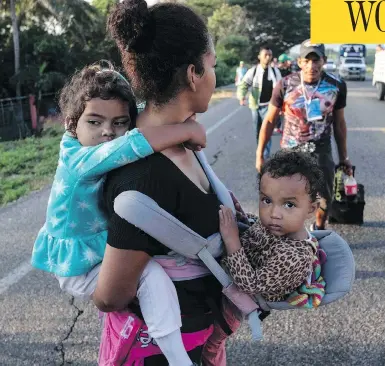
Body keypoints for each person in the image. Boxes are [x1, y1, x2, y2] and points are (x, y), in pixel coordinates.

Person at [93, 1, 242, 365]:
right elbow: (111, 295)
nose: (213, 77)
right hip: (160, 353)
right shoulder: (142, 175)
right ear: (193, 73)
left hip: (198, 340)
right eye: (212, 66)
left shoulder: (183, 141)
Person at [30, 63, 209, 366]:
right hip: (79, 266)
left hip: (92, 248)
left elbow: (140, 117)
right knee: (151, 276)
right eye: (95, 122)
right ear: (72, 124)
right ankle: (179, 358)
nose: (107, 133)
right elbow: (131, 145)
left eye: (119, 123)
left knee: (147, 271)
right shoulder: (79, 158)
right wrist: (185, 129)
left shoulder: (88, 140)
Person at [256, 40, 353, 231]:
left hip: (320, 150)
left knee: (324, 197)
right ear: (300, 61)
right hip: (290, 151)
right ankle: (286, 233)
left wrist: (344, 158)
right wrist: (260, 154)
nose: (312, 66)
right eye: (307, 60)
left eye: (316, 60)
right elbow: (268, 121)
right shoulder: (285, 84)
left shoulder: (336, 85)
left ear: (323, 61)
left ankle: (319, 229)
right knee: (284, 196)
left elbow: (340, 124)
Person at [219, 150, 326, 308]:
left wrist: (231, 240)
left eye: (289, 204)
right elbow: (258, 228)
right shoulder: (279, 226)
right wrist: (242, 216)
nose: (274, 214)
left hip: (241, 292)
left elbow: (251, 285)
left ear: (311, 209)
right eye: (267, 200)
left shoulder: (294, 257)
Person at [237, 46, 282, 160]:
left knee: (267, 130)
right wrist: (241, 97)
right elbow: (244, 84)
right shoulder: (253, 71)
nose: (268, 57)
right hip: (255, 106)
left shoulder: (275, 72)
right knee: (257, 130)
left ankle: (265, 155)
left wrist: (282, 106)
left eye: (270, 55)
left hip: (270, 106)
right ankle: (260, 150)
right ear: (259, 57)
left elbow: (281, 88)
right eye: (265, 55)